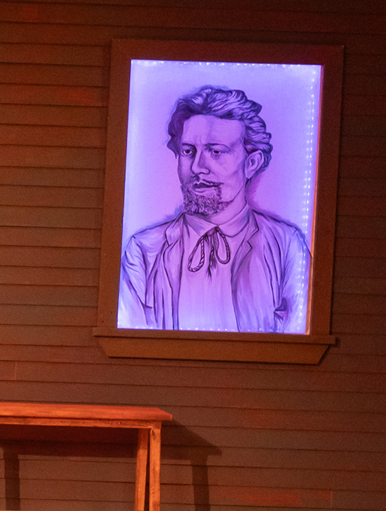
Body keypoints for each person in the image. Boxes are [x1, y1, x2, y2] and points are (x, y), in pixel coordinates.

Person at [119, 84, 311, 333]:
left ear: (251, 163)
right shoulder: (143, 252)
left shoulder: (287, 246)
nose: (198, 167)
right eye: (188, 151)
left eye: (216, 152)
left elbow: (300, 338)